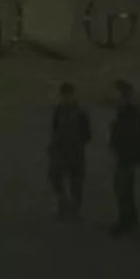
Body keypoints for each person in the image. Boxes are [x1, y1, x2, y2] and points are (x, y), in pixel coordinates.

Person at [46, 83, 92, 218]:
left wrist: (77, 145)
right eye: (64, 95)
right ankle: (63, 202)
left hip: (75, 151)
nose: (66, 98)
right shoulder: (59, 110)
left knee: (75, 181)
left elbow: (87, 134)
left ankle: (75, 209)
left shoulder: (81, 112)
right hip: (60, 150)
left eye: (68, 95)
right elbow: (55, 129)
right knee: (54, 176)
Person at [109, 80, 140, 235]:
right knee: (125, 189)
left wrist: (136, 158)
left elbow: (136, 137)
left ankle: (125, 222)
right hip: (125, 156)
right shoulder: (125, 111)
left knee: (122, 189)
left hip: (127, 157)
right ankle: (130, 220)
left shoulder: (130, 113)